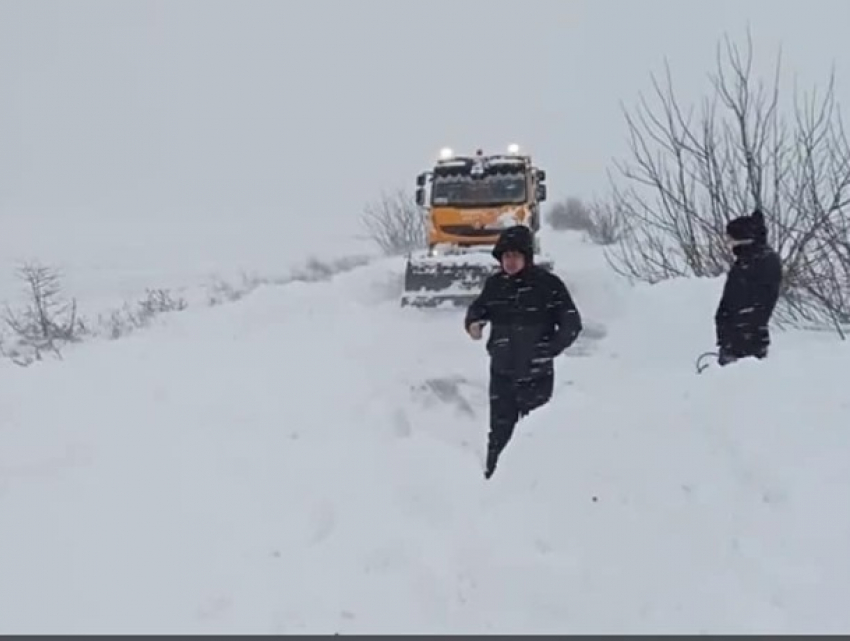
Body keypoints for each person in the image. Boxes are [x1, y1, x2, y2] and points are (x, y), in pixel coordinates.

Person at [464, 225, 582, 479]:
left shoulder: (548, 285)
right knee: (500, 433)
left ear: (527, 257)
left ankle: (536, 486)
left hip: (536, 375)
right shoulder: (495, 285)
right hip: (502, 374)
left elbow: (572, 323)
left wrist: (548, 350)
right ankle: (493, 482)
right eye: (505, 256)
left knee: (536, 435)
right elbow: (478, 309)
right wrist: (473, 322)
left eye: (516, 256)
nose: (510, 261)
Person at [715, 208, 783, 366]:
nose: (729, 243)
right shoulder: (746, 260)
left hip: (745, 342)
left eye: (731, 238)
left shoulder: (759, 261)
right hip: (738, 339)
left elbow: (754, 304)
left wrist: (737, 335)